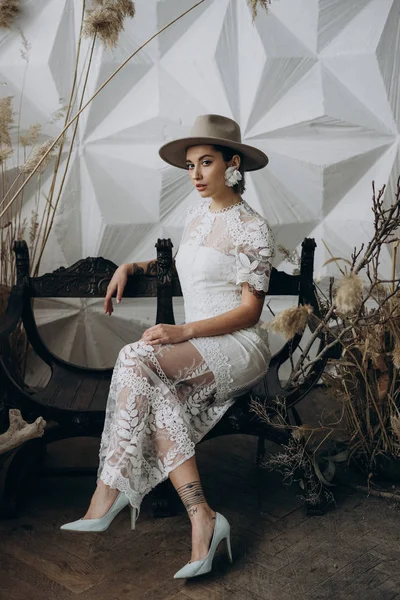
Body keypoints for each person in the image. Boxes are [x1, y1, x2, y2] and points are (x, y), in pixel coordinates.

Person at [60, 114, 275, 579]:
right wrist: (132, 267)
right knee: (154, 388)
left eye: (207, 162)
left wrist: (183, 331)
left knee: (135, 356)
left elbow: (251, 312)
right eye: (191, 165)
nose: (195, 174)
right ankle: (202, 517)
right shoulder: (197, 216)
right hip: (199, 344)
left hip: (237, 345)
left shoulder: (252, 228)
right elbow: (181, 268)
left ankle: (107, 491)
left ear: (232, 164)